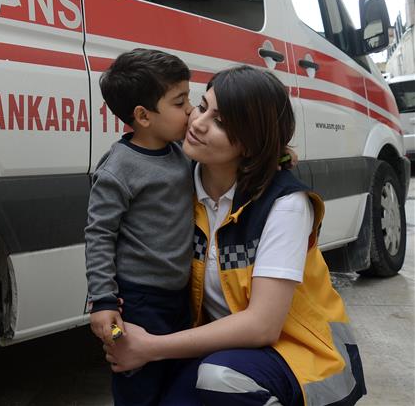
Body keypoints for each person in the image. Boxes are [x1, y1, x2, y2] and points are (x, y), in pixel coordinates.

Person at [105, 65, 366, 406]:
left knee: (220, 379)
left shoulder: (285, 206)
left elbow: (262, 326)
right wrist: (108, 309)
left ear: (251, 141)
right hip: (225, 348)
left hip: (303, 356)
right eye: (202, 106)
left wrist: (149, 348)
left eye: (222, 123)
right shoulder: (178, 185)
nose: (197, 122)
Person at [85, 48, 195, 406]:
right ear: (143, 117)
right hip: (134, 301)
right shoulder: (118, 168)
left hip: (179, 296)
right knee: (133, 375)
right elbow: (100, 234)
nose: (191, 110)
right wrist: (103, 304)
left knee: (177, 379)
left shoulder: (180, 153)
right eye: (180, 102)